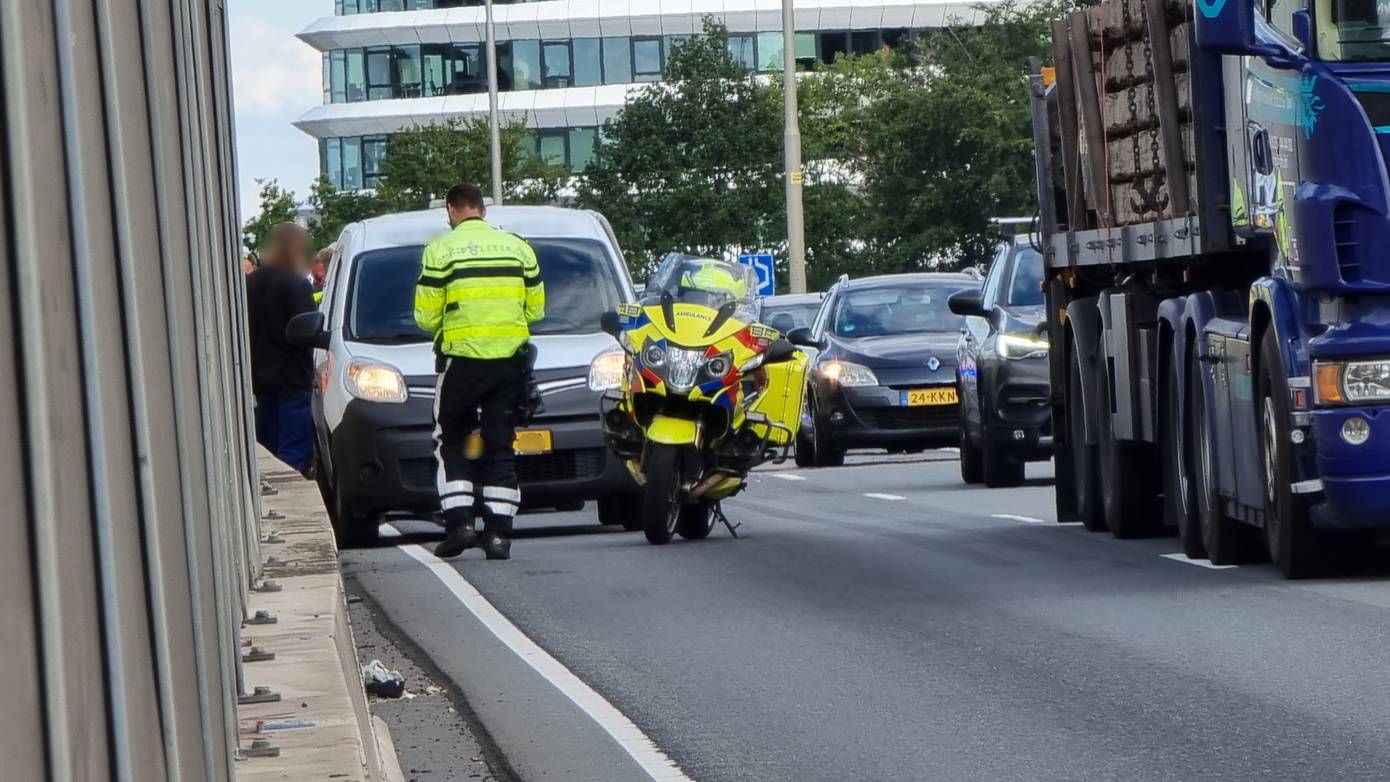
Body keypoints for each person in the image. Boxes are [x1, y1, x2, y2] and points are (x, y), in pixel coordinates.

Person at [415, 183, 545, 561]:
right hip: (509, 364)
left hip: (462, 362)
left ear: (451, 210)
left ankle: (459, 525)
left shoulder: (440, 250)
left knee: (449, 438)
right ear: (483, 211)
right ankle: (499, 535)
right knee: (500, 443)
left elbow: (425, 316)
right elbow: (535, 311)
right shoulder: (519, 248)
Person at [246, 223, 317, 474]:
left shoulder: (250, 284)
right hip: (292, 379)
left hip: (260, 379)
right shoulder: (296, 284)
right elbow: (308, 330)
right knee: (293, 451)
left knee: (268, 446)